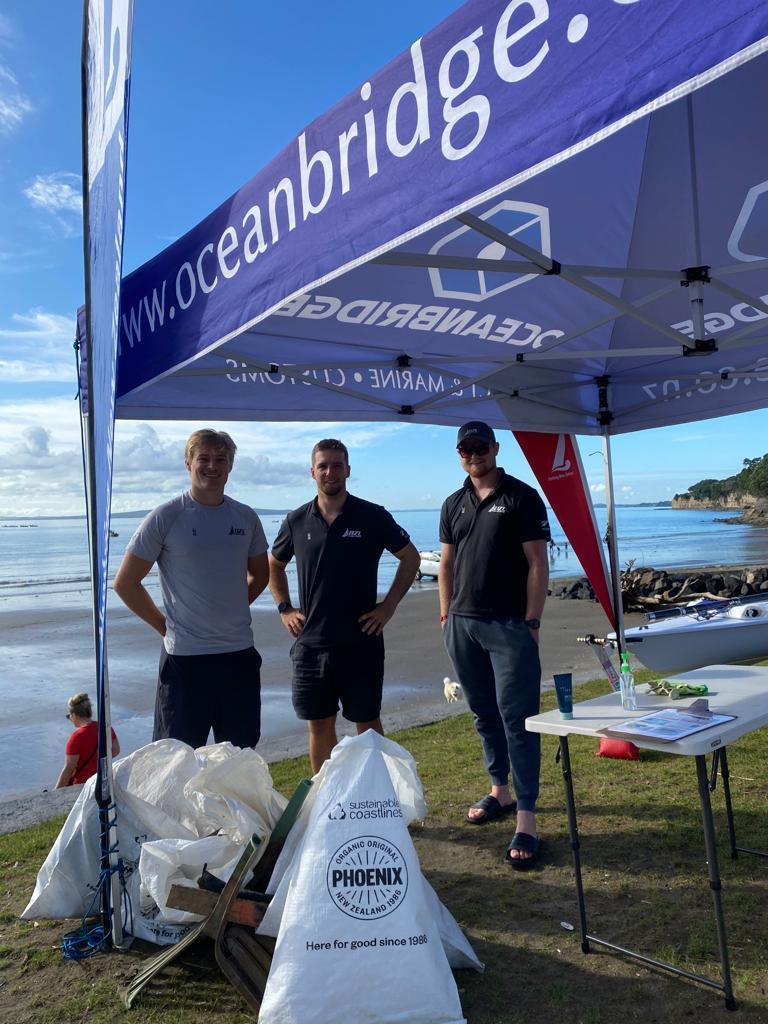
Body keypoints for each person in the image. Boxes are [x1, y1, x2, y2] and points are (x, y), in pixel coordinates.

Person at [269, 438, 420, 774]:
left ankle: (375, 801)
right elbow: (274, 565)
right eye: (323, 465)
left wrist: (389, 606)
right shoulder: (296, 520)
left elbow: (409, 558)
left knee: (367, 724)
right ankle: (328, 805)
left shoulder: (372, 516)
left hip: (360, 641)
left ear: (348, 470)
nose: (330, 472)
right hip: (311, 644)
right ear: (312, 472)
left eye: (337, 465)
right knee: (319, 728)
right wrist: (284, 608)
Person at [439, 421, 550, 869]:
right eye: (465, 448)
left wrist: (533, 620)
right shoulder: (453, 503)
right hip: (461, 625)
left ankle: (526, 817)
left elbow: (537, 562)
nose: (473, 454)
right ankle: (498, 792)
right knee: (484, 713)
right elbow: (445, 562)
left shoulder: (521, 496)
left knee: (518, 718)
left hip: (508, 626)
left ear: (494, 448)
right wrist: (445, 615)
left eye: (480, 446)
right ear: (459, 453)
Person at [114, 428, 269, 749]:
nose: (212, 466)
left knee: (239, 755)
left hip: (238, 656)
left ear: (230, 466)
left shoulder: (246, 517)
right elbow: (126, 583)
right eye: (204, 458)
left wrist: (233, 607)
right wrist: (164, 625)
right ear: (188, 463)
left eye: (221, 459)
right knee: (176, 757)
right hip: (185, 660)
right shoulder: (166, 516)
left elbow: (260, 575)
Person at [55, 692, 119, 788]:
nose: (70, 718)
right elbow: (116, 750)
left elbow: (69, 768)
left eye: (70, 715)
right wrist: (97, 763)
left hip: (81, 785)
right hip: (101, 780)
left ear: (75, 715)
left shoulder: (76, 738)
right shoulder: (106, 728)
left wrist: (56, 791)